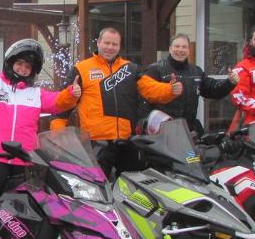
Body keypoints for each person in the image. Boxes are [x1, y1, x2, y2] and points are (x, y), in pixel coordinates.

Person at [0, 39, 80, 230]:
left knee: (16, 209)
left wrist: (72, 93)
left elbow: (58, 101)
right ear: (10, 63)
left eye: (28, 66)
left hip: (23, 160)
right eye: (19, 64)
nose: (23, 69)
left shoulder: (35, 93)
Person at [69, 27, 181, 176]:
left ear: (119, 46)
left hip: (126, 140)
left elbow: (150, 88)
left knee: (133, 186)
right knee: (98, 189)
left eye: (114, 44)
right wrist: (57, 136)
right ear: (98, 43)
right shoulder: (81, 69)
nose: (110, 47)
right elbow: (63, 104)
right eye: (106, 43)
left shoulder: (130, 68)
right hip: (97, 142)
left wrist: (169, 90)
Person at [141, 33, 238, 136]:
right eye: (177, 46)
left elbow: (213, 90)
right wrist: (145, 125)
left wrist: (230, 82)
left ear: (188, 51)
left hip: (188, 134)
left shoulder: (195, 72)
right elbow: (144, 98)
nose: (180, 50)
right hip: (162, 134)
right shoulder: (156, 70)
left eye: (184, 47)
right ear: (170, 49)